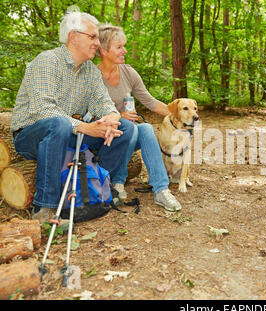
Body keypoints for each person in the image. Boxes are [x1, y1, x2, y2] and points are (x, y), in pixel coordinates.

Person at [11, 11, 135, 224]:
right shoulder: (47, 61)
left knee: (126, 129)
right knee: (58, 124)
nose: (98, 42)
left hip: (70, 133)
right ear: (73, 36)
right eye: (93, 37)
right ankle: (45, 209)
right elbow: (43, 110)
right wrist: (86, 128)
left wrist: (112, 117)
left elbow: (103, 103)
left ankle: (97, 188)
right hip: (32, 135)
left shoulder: (90, 71)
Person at [97, 24, 181, 212]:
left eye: (124, 46)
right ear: (103, 50)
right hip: (102, 139)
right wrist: (118, 117)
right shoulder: (92, 76)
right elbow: (86, 115)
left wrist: (180, 115)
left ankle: (161, 189)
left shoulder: (128, 72)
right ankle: (117, 181)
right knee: (129, 125)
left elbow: (151, 102)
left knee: (146, 129)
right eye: (119, 47)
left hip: (128, 135)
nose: (124, 50)